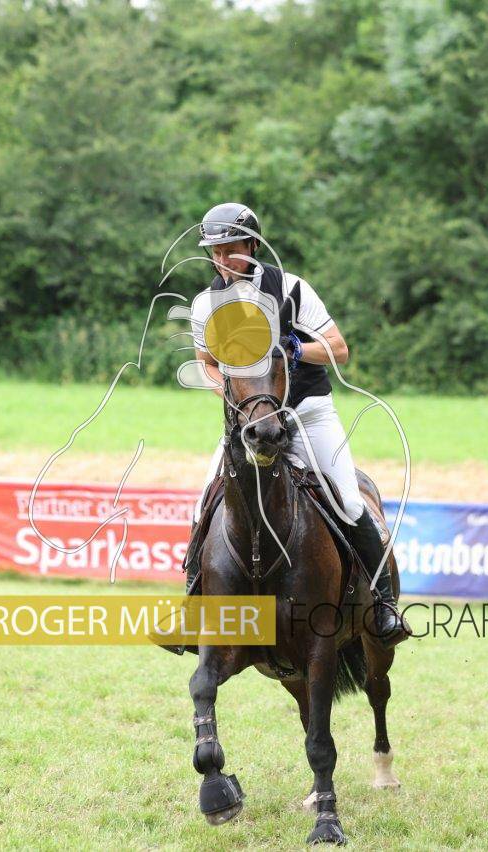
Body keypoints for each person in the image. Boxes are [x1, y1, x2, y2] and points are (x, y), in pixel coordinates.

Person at [185, 201, 409, 647]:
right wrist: (235, 398)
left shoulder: (291, 289)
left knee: (349, 502)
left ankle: (383, 606)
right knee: (203, 505)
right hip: (250, 421)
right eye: (216, 251)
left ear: (253, 245)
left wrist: (295, 348)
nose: (223, 259)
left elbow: (339, 349)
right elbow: (205, 363)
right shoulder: (206, 304)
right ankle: (193, 609)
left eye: (231, 249)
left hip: (307, 413)